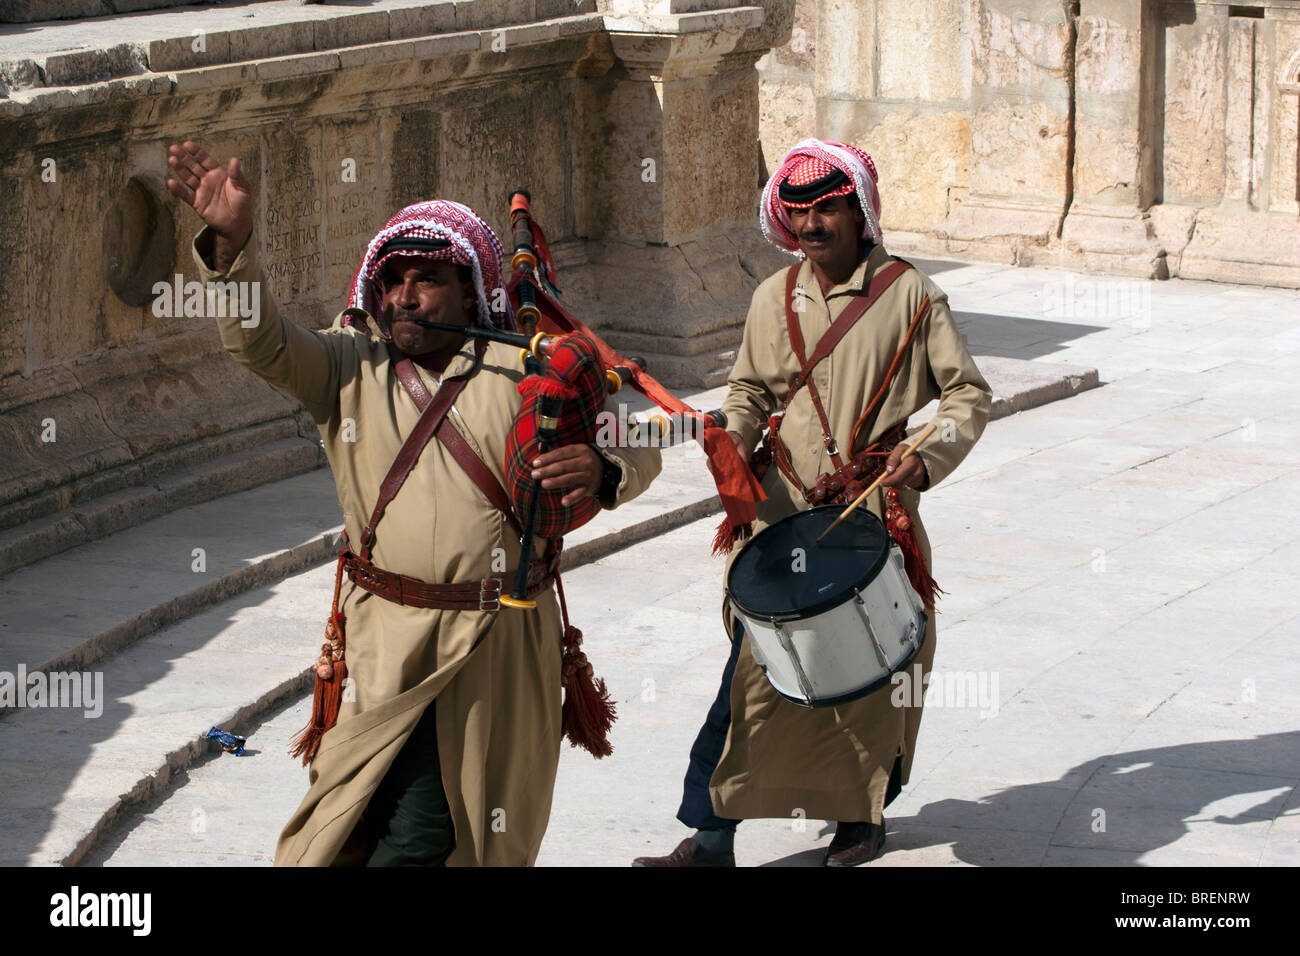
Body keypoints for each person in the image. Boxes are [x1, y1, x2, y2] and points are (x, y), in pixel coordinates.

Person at [165, 141, 661, 866]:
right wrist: (233, 246)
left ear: (468, 290)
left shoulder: (522, 373)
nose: (404, 296)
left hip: (489, 649)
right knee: (349, 825)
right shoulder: (346, 366)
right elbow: (258, 343)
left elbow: (636, 433)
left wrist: (603, 465)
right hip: (379, 644)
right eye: (392, 279)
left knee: (432, 834)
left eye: (427, 279)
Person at [633, 139, 992, 867]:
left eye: (828, 208)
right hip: (779, 514)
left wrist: (924, 457)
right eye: (799, 210)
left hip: (868, 515)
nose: (812, 223)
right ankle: (710, 839)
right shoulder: (773, 298)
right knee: (754, 675)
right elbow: (749, 392)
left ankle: (861, 818)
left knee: (869, 678)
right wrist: (729, 436)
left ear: (861, 212)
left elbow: (967, 394)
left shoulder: (911, 295)